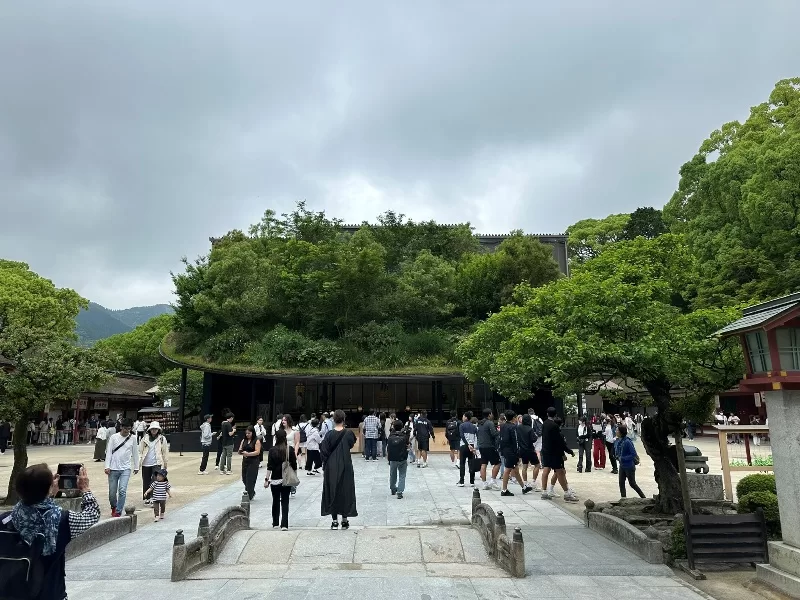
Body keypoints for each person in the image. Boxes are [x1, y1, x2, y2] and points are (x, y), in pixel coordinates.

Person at [0, 464, 99, 600]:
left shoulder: (5, 520)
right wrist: (85, 489)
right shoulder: (63, 520)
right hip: (50, 594)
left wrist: (47, 491)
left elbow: (35, 510)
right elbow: (92, 514)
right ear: (49, 488)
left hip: (11, 594)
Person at [320, 410, 357, 529]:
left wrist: (325, 464)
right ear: (344, 419)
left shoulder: (329, 434)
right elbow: (351, 444)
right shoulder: (349, 433)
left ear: (334, 420)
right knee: (345, 491)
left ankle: (334, 521)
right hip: (345, 465)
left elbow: (324, 451)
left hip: (331, 466)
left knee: (332, 491)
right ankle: (345, 520)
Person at [540, 407, 578, 502]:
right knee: (560, 472)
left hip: (545, 450)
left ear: (547, 414)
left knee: (546, 470)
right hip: (554, 452)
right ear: (555, 414)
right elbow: (559, 442)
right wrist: (568, 451)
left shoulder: (544, 423)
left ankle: (544, 491)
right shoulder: (554, 426)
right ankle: (566, 493)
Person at [105, 418, 139, 517]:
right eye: (125, 429)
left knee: (122, 490)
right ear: (121, 427)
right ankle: (114, 506)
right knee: (112, 492)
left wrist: (136, 466)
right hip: (113, 468)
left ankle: (118, 511)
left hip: (125, 468)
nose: (127, 431)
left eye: (129, 429)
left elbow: (135, 453)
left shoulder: (133, 438)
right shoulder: (113, 437)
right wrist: (107, 466)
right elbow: (108, 453)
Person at [264, 428, 296, 530]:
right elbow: (294, 465)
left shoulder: (272, 450)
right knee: (285, 500)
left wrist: (266, 479)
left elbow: (270, 466)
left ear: (276, 438)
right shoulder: (289, 449)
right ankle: (284, 524)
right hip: (286, 479)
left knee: (275, 500)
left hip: (275, 479)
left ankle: (275, 523)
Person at [137, 421, 169, 506]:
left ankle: (152, 497)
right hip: (146, 462)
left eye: (156, 429)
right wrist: (138, 463)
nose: (154, 430)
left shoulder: (162, 439)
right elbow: (140, 451)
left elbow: (165, 452)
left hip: (157, 462)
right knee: (146, 480)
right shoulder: (145, 438)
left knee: (155, 480)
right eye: (152, 429)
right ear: (150, 430)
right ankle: (146, 497)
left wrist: (165, 464)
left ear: (158, 430)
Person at [499, 410, 529, 496]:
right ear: (513, 418)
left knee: (515, 469)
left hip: (505, 449)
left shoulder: (502, 426)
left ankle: (524, 487)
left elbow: (501, 438)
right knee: (508, 469)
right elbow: (515, 441)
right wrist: (517, 453)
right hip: (511, 451)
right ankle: (504, 490)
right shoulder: (514, 427)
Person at [614, 424, 645, 498]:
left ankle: (643, 497)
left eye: (617, 430)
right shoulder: (618, 441)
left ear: (621, 432)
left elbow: (633, 454)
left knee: (632, 484)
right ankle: (623, 499)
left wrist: (623, 458)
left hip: (629, 466)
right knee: (621, 483)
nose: (616, 431)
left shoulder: (627, 442)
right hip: (622, 466)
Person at [478, 408, 501, 490]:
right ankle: (492, 480)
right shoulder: (489, 423)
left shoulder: (480, 423)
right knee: (498, 463)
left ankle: (484, 483)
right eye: (491, 413)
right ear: (489, 415)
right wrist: (499, 430)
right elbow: (494, 434)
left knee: (483, 464)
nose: (492, 415)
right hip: (489, 446)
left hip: (481, 446)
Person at [517, 414, 541, 492]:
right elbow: (533, 439)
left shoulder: (519, 427)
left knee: (524, 467)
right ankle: (533, 481)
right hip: (530, 450)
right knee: (537, 465)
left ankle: (525, 483)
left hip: (522, 450)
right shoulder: (530, 429)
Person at [387, 419, 410, 499]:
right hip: (402, 458)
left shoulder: (390, 436)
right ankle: (400, 491)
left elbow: (388, 447)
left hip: (393, 458)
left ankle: (393, 489)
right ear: (402, 427)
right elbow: (408, 446)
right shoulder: (404, 436)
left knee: (392, 474)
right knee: (402, 475)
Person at [239, 425, 261, 501]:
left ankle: (249, 494)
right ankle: (251, 491)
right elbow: (240, 449)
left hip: (253, 461)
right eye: (246, 433)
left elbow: (257, 452)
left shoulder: (256, 440)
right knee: (244, 478)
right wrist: (242, 452)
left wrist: (248, 454)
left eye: (249, 433)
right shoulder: (244, 440)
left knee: (250, 478)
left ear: (252, 433)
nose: (247, 435)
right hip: (245, 461)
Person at [457, 411, 478, 488]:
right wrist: (474, 447)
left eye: (463, 416)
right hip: (472, 446)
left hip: (464, 446)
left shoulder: (462, 425)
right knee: (471, 463)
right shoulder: (474, 427)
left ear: (466, 417)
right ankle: (472, 481)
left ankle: (462, 481)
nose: (462, 418)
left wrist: (467, 444)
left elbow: (462, 436)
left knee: (462, 463)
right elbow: (477, 437)